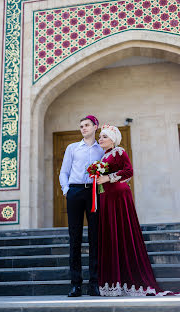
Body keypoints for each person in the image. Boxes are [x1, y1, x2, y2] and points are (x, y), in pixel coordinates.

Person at [96, 124, 172, 296]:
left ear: (113, 140)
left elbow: (129, 171)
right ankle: (115, 281)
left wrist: (108, 177)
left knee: (120, 232)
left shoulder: (119, 152)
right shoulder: (103, 156)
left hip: (118, 196)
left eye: (104, 137)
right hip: (106, 197)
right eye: (100, 136)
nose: (100, 139)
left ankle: (130, 281)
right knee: (111, 235)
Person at [59, 115, 104, 297]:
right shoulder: (72, 148)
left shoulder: (102, 149)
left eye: (87, 125)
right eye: (81, 126)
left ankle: (94, 284)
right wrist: (66, 190)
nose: (83, 128)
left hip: (94, 193)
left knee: (95, 238)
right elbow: (64, 171)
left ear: (95, 127)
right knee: (75, 238)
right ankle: (76, 284)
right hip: (75, 193)